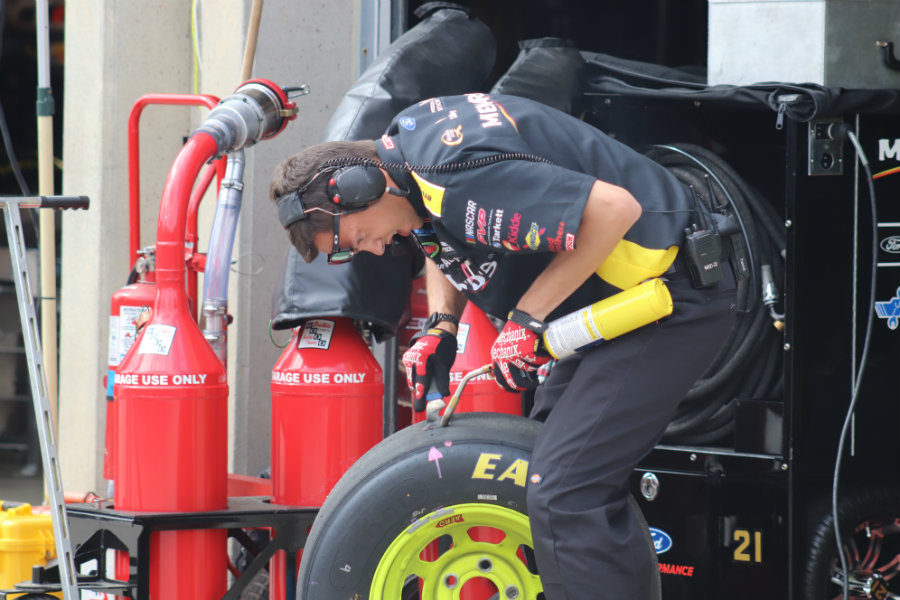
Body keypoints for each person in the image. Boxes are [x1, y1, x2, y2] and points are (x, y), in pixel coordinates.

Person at [269, 92, 736, 599]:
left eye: (356, 238)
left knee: (564, 492)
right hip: (614, 309)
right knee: (539, 469)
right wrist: (441, 324)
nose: (373, 249)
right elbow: (434, 232)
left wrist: (526, 321)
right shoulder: (409, 154)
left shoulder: (456, 172)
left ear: (358, 187)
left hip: (670, 300)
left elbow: (614, 210)